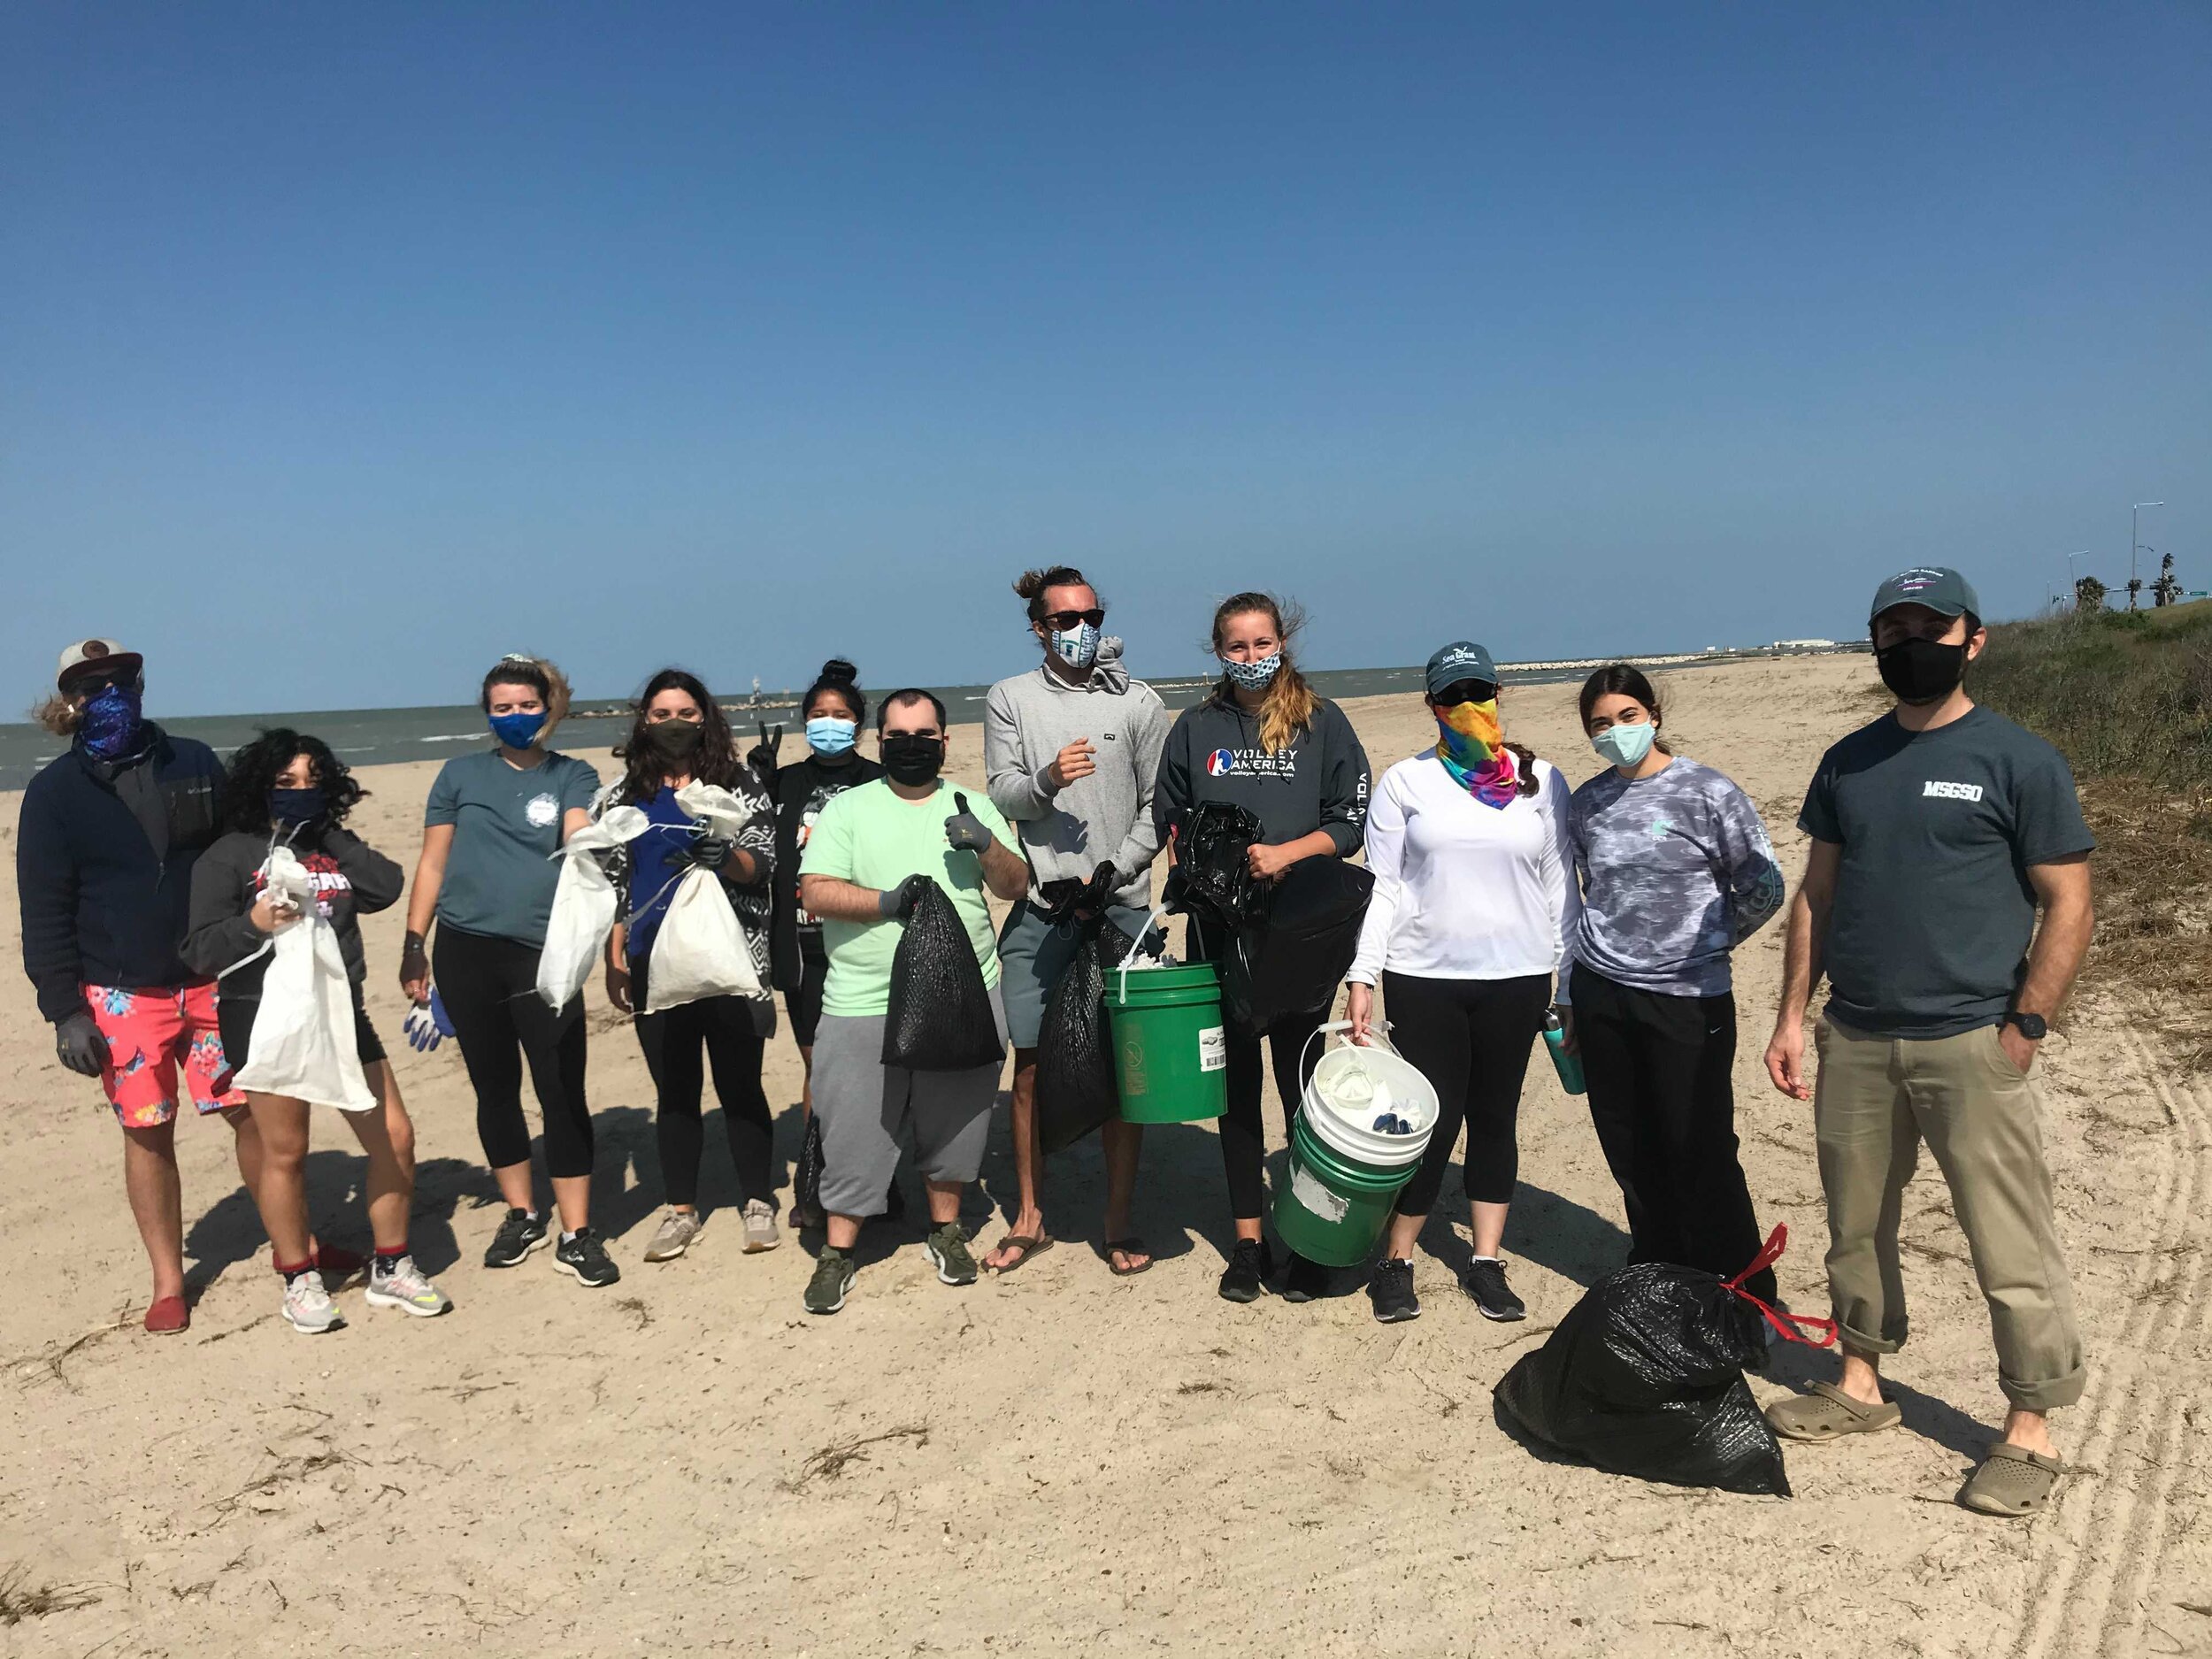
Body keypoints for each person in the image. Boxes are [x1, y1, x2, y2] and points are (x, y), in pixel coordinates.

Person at [1762, 567, 2095, 1519]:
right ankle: (1860, 1382)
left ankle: (2028, 1426)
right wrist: (1793, 1016)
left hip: (1969, 1041)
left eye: (1928, 626)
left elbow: (2067, 901)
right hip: (1856, 1037)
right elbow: (1816, 896)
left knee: (2007, 1237)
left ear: (1970, 639)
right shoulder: (1848, 761)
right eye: (1891, 627)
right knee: (1855, 1225)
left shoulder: (2017, 759)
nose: (1910, 642)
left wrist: (2024, 1026)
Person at [17, 639, 357, 1334]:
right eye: (91, 685)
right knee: (148, 1133)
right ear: (69, 701)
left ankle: (299, 1248)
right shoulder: (53, 794)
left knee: (251, 1114)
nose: (108, 692)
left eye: (120, 679)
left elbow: (245, 849)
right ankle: (169, 1281)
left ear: (141, 684)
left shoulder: (195, 762)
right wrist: (64, 1012)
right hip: (119, 994)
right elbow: (44, 908)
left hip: (214, 976)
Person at [181, 732, 450, 1332]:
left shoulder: (329, 844)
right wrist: (253, 921)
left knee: (396, 1136)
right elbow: (198, 948)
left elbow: (384, 883)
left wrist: (323, 831)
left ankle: (391, 1264)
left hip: (338, 1007)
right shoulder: (228, 855)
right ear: (259, 786)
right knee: (287, 1149)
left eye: (312, 780)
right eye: (286, 782)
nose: (300, 790)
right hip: (261, 1010)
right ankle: (299, 1275)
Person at [1345, 642, 1571, 1324]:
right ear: (1431, 705)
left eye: (1480, 691)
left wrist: (1570, 982)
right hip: (1425, 975)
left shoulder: (1543, 781)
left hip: (1518, 975)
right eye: (1453, 696)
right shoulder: (1405, 782)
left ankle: (1486, 1260)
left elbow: (1562, 885)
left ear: (1500, 692)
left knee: (1496, 1117)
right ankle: (1398, 1258)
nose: (1469, 706)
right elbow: (1381, 887)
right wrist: (1364, 973)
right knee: (1427, 1122)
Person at [1155, 592, 1371, 1303]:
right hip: (1221, 936)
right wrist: (1202, 864)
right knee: (1236, 1090)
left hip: (1303, 934)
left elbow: (1349, 821)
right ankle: (1249, 1241)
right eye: (1237, 646)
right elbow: (1171, 819)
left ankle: (1309, 1238)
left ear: (1284, 641)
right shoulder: (1195, 727)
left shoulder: (1321, 721)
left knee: (1304, 1089)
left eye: (1261, 642)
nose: (1252, 657)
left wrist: (1285, 854)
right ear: (1219, 651)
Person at [795, 689, 1029, 1314]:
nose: (911, 742)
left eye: (924, 733)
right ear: (879, 741)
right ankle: (838, 1249)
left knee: (955, 1120)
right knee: (853, 1127)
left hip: (965, 992)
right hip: (863, 997)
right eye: (897, 733)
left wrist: (985, 842)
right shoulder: (847, 809)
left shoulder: (971, 802)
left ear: (945, 742)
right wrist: (885, 902)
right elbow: (814, 891)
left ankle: (945, 1229)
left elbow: (1015, 884)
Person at [1561, 664, 1785, 1305]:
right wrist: (1570, 990)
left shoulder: (1707, 791)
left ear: (1653, 715)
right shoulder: (1588, 802)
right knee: (1629, 1143)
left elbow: (1764, 885)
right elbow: (1584, 896)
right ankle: (1658, 1265)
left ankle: (1743, 1287)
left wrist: (1710, 942)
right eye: (1600, 723)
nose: (1615, 731)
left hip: (1688, 999)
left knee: (1700, 1143)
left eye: (1626, 716)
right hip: (1603, 991)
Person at [399, 655, 617, 1287]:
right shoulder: (458, 773)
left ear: (549, 707)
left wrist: (598, 835)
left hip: (542, 955)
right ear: (487, 711)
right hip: (464, 950)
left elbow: (579, 830)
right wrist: (415, 942)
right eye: (502, 707)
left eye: (526, 705)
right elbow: (433, 863)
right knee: (494, 1088)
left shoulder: (573, 773)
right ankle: (522, 1212)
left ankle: (576, 1231)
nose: (515, 716)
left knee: (560, 1088)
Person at [982, 566, 1170, 1276]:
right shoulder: (1011, 698)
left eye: (1090, 614)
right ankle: (1031, 1215)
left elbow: (1160, 805)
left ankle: (1117, 1217)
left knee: (1127, 1068)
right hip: (1043, 906)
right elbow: (1006, 794)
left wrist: (1116, 867)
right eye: (1063, 619)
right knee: (1029, 1065)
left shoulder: (1139, 701)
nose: (1079, 628)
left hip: (1120, 905)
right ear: (1038, 626)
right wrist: (1049, 779)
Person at [599, 669, 780, 1263]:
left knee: (739, 1085)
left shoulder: (740, 783)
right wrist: (614, 955)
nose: (674, 722)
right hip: (654, 960)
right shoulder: (625, 794)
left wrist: (728, 857)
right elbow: (612, 882)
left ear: (705, 717)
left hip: (731, 958)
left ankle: (758, 1200)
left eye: (685, 712)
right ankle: (681, 1209)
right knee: (675, 1091)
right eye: (661, 713)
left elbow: (766, 862)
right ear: (644, 721)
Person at [762, 660, 884, 1230]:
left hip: (864, 942)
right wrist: (754, 784)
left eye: (840, 716)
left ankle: (876, 1179)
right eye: (817, 715)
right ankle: (816, 1176)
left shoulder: (877, 781)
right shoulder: (784, 782)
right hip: (800, 944)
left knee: (875, 1065)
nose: (828, 724)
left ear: (859, 725)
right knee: (820, 1067)